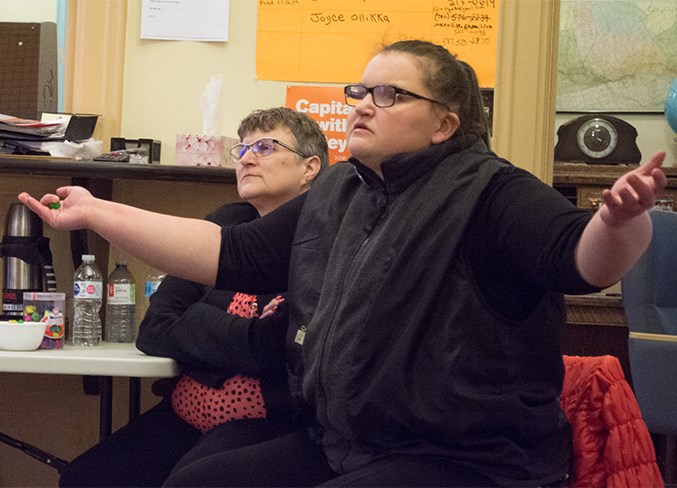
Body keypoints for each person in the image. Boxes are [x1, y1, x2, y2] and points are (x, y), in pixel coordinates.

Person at [20, 40, 667, 487]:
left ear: (443, 123)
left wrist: (617, 220)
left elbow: (579, 261)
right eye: (361, 88)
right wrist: (101, 215)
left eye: (387, 94)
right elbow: (233, 255)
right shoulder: (339, 190)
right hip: (348, 444)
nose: (360, 103)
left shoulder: (492, 192)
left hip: (468, 459)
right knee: (201, 479)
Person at [57, 107, 328, 487]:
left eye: (266, 147)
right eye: (244, 149)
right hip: (186, 412)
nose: (248, 158)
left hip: (272, 422)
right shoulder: (224, 224)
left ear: (310, 167)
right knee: (85, 478)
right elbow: (155, 327)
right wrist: (245, 338)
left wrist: (199, 322)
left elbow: (281, 349)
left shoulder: (323, 242)